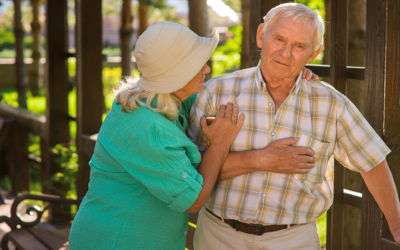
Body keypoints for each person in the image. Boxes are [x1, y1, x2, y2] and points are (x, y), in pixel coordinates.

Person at [188, 3, 400, 250]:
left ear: (313, 54)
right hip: (218, 235)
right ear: (260, 36)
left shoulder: (331, 104)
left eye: (299, 46)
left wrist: (397, 227)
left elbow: (372, 161)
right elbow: (189, 168)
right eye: (278, 39)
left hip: (293, 241)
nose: (285, 53)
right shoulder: (217, 92)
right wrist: (260, 159)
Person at [68, 21, 246, 250]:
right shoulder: (147, 127)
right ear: (176, 75)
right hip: (116, 242)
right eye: (198, 64)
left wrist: (299, 78)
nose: (207, 69)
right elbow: (193, 200)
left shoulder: (165, 99)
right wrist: (219, 145)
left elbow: (223, 94)